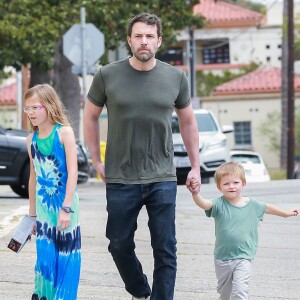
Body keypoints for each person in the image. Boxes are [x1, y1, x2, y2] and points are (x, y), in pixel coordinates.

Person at [83, 12, 201, 300]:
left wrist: (195, 166)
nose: (144, 41)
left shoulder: (176, 77)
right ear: (129, 40)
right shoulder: (106, 75)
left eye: (150, 36)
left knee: (165, 248)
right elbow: (89, 117)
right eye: (138, 36)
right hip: (121, 176)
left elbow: (188, 122)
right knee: (118, 244)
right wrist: (96, 160)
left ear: (158, 41)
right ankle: (139, 289)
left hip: (162, 176)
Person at [190, 161, 298, 300]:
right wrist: (195, 194)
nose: (231, 186)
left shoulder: (252, 205)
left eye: (235, 182)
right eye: (226, 183)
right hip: (222, 258)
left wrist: (286, 213)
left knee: (240, 291)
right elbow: (204, 204)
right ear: (219, 187)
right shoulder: (218, 204)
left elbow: (268, 208)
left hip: (244, 256)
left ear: (243, 184)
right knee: (225, 293)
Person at [24, 84, 81, 300]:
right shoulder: (31, 140)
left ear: (48, 105)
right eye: (27, 109)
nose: (31, 113)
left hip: (66, 206)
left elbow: (73, 171)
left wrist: (66, 207)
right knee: (45, 260)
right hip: (43, 208)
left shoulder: (64, 133)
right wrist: (31, 216)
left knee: (66, 257)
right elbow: (33, 177)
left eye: (35, 107)